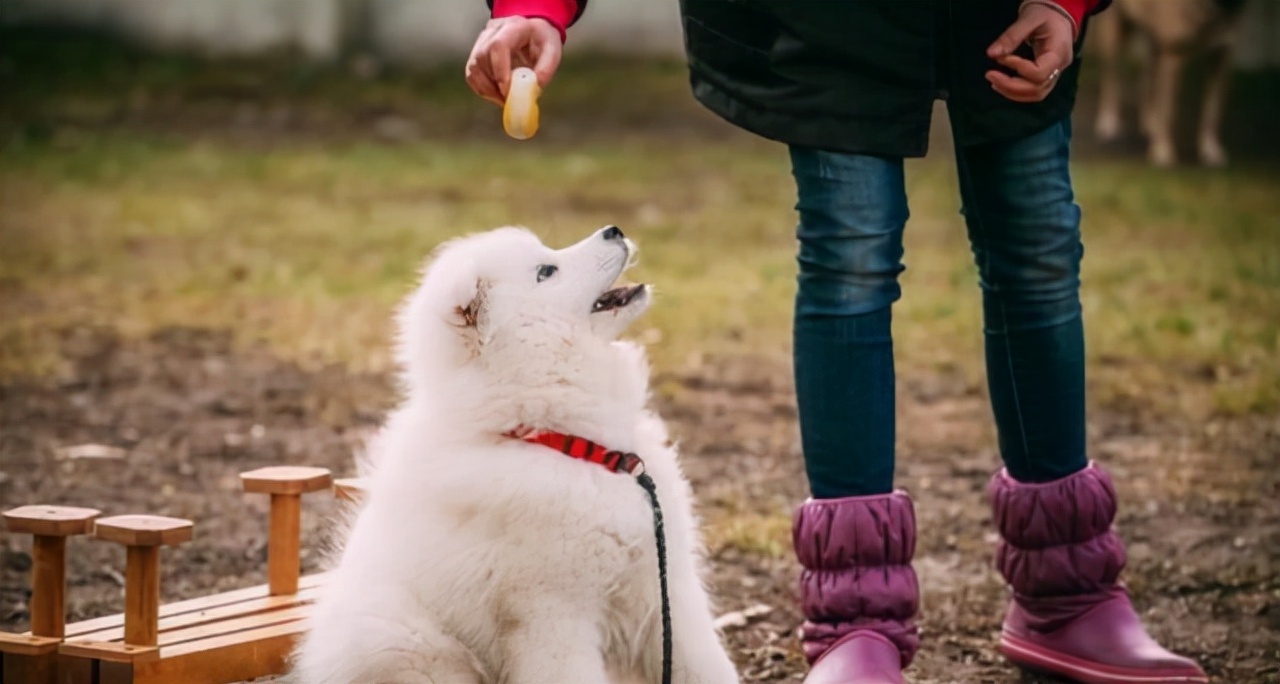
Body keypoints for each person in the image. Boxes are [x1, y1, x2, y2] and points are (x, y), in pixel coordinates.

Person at [464, 2, 1209, 683]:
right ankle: (856, 624)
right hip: (837, 18)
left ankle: (1069, 596)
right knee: (850, 257)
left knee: (1040, 251)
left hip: (1012, 5)